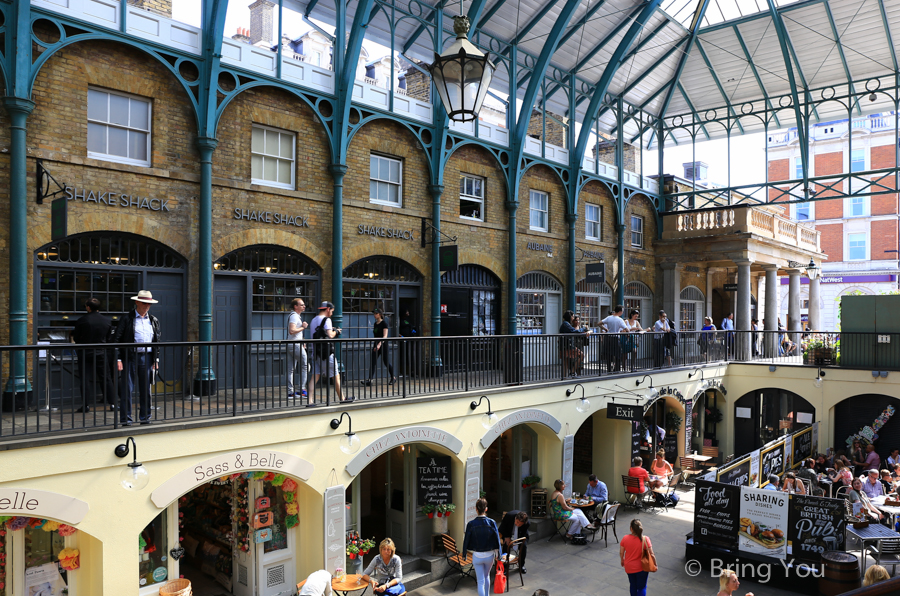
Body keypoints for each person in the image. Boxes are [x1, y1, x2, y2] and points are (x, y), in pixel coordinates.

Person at [113, 290, 161, 426]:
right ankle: (126, 419)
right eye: (144, 303)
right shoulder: (127, 318)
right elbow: (116, 339)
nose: (147, 306)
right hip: (130, 357)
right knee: (127, 389)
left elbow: (157, 341)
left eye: (149, 304)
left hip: (147, 357)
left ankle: (145, 417)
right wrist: (118, 359)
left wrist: (156, 359)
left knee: (146, 390)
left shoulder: (153, 320)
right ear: (137, 302)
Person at [71, 297, 116, 413]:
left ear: (88, 307)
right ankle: (113, 404)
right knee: (106, 378)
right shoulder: (106, 321)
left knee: (85, 379)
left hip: (85, 351)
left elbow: (76, 338)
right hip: (101, 351)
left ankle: (86, 405)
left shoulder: (82, 320)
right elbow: (108, 338)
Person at [461, 498, 501, 596]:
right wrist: (498, 554)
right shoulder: (492, 522)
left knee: (480, 582)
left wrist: (464, 554)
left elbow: (466, 540)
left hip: (477, 555)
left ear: (476, 509)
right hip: (489, 556)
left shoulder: (471, 524)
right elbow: (497, 539)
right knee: (487, 576)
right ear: (486, 509)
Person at [307, 302, 344, 404]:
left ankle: (310, 401)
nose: (332, 313)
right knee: (336, 375)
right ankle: (342, 398)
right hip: (326, 354)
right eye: (332, 311)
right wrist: (337, 331)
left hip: (316, 353)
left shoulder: (313, 320)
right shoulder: (327, 320)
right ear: (328, 309)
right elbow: (330, 335)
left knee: (314, 377)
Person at [362, 308, 396, 386]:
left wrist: (379, 344)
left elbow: (385, 336)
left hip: (383, 345)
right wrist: (375, 345)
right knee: (373, 361)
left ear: (380, 314)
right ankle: (370, 380)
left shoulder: (384, 324)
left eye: (376, 313)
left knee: (386, 362)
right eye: (374, 313)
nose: (374, 315)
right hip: (376, 344)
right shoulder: (375, 324)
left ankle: (393, 377)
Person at [620, 519, 654, 596]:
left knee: (633, 585)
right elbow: (651, 553)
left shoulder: (625, 538)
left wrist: (622, 560)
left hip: (629, 566)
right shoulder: (645, 539)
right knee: (642, 587)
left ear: (631, 529)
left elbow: (621, 552)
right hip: (642, 567)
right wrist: (654, 563)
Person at [286, 298, 309, 400]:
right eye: (302, 305)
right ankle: (301, 390)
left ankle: (290, 392)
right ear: (296, 306)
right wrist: (303, 327)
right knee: (306, 366)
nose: (304, 306)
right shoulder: (294, 316)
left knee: (291, 369)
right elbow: (292, 331)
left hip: (293, 344)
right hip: (295, 345)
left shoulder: (295, 316)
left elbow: (294, 333)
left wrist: (302, 340)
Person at [497, 510, 530, 574]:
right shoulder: (509, 516)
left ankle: (521, 565)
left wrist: (516, 542)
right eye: (517, 522)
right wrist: (507, 537)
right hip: (508, 533)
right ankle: (505, 566)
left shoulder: (527, 524)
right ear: (516, 518)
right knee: (506, 545)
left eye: (520, 524)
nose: (517, 524)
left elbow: (523, 534)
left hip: (520, 535)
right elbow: (502, 528)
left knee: (523, 546)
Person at [559, 310, 587, 377]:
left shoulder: (566, 323)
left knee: (565, 361)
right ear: (570, 317)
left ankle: (565, 377)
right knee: (581, 355)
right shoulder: (566, 324)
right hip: (567, 345)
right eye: (573, 316)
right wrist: (584, 328)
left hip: (566, 345)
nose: (573, 318)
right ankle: (572, 372)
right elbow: (574, 331)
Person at [601, 305, 627, 372]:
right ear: (620, 312)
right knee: (617, 354)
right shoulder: (620, 320)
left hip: (608, 337)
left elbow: (599, 323)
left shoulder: (609, 318)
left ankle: (609, 369)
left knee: (609, 355)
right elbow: (627, 329)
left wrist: (605, 329)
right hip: (615, 338)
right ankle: (617, 369)